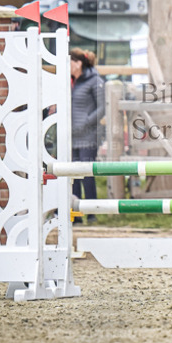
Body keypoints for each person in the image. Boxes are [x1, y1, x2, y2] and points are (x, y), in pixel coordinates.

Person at [69, 48, 104, 224]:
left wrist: (86, 122)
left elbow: (102, 108)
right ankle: (76, 215)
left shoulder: (94, 80)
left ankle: (91, 213)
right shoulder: (70, 82)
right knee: (73, 175)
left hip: (89, 135)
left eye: (69, 62)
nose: (67, 65)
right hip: (71, 136)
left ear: (78, 63)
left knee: (87, 174)